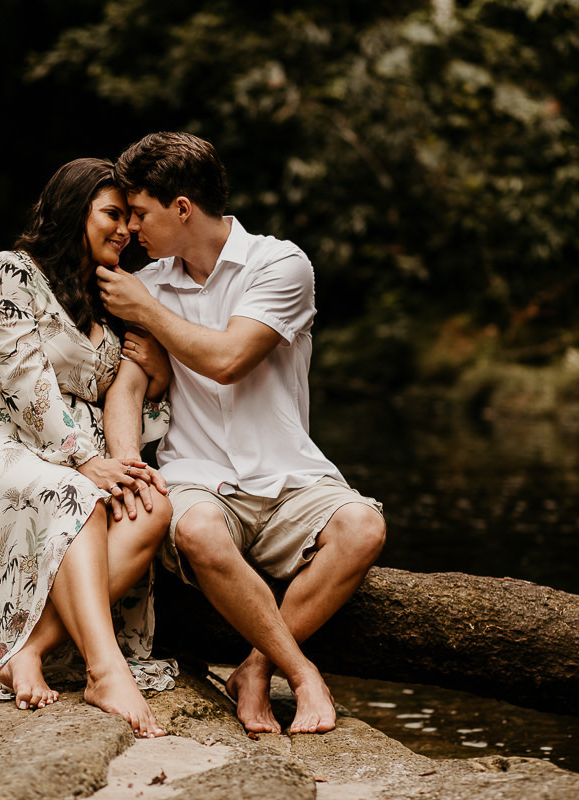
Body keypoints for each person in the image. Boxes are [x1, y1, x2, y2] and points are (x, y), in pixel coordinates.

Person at [97, 132, 387, 735]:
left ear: (182, 208)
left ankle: (256, 667)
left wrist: (146, 310)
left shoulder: (280, 265)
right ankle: (304, 675)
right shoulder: (148, 283)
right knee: (199, 529)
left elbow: (229, 358)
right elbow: (126, 388)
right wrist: (126, 459)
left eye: (142, 213)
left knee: (364, 526)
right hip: (199, 478)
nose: (132, 230)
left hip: (288, 476)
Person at [0, 157, 176, 738]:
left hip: (77, 455)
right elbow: (24, 382)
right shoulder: (6, 274)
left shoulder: (110, 306)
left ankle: (28, 646)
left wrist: (156, 376)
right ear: (71, 210)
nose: (126, 230)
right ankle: (104, 668)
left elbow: (136, 407)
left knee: (152, 505)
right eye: (111, 214)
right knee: (74, 492)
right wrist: (86, 460)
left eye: (129, 221)